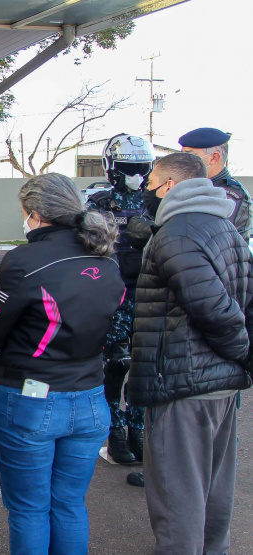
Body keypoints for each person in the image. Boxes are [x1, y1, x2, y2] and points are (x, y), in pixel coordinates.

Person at [0, 173, 124, 555]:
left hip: (30, 398)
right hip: (91, 399)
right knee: (70, 504)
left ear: (35, 214)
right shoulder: (105, 256)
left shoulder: (25, 259)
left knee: (29, 509)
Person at [128, 152, 253, 555]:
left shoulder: (177, 234)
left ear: (170, 186)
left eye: (151, 185)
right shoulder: (227, 229)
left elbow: (215, 309)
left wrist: (243, 353)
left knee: (178, 497)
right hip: (219, 385)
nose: (147, 192)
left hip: (182, 385)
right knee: (213, 489)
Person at [85, 133, 155, 465]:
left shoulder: (159, 201)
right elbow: (86, 248)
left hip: (152, 296)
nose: (135, 174)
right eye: (128, 166)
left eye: (140, 166)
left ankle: (137, 430)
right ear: (112, 167)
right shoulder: (99, 203)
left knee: (144, 367)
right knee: (116, 364)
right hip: (114, 296)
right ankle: (115, 432)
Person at [179, 127, 251, 239]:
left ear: (214, 157)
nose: (183, 161)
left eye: (190, 156)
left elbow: (207, 234)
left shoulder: (229, 194)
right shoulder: (190, 186)